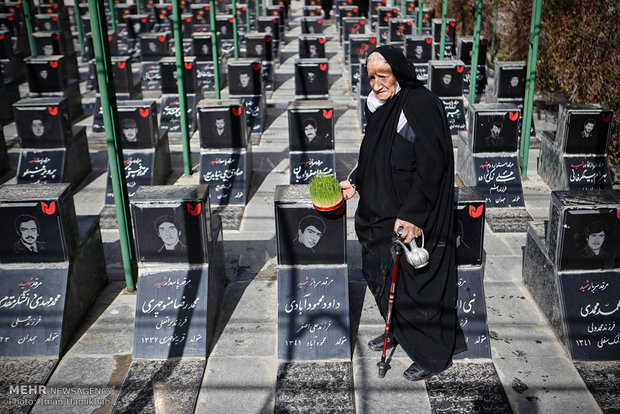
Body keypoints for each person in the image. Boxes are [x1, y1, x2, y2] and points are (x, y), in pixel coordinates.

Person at [340, 46, 465, 381]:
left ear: (399, 72)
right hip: (377, 211)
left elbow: (432, 165)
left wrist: (411, 214)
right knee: (379, 273)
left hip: (407, 212)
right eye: (371, 78)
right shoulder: (383, 106)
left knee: (413, 285)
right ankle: (396, 329)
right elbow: (374, 153)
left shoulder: (419, 104)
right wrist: (354, 181)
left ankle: (431, 355)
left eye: (384, 76)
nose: (377, 84)